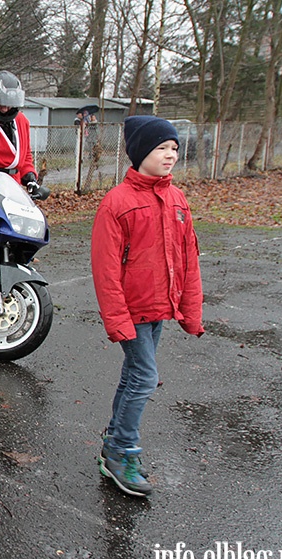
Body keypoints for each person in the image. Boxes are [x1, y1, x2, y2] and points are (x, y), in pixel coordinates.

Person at [90, 116, 205, 497]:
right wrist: (117, 320)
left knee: (135, 375)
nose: (171, 154)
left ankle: (114, 439)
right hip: (132, 310)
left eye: (174, 148)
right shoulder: (117, 203)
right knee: (144, 377)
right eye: (162, 148)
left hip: (161, 307)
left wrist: (190, 309)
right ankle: (121, 450)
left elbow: (188, 257)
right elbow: (105, 269)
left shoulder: (176, 198)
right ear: (141, 153)